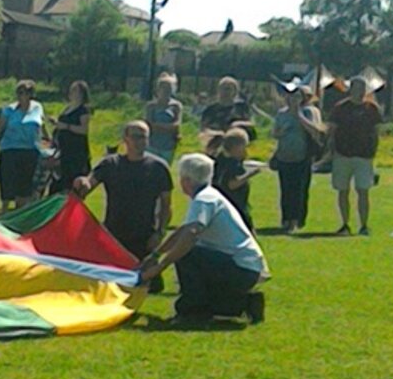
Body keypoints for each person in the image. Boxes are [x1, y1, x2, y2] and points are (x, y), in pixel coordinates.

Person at [139, 153, 268, 325]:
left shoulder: (204, 200)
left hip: (240, 268)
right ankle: (245, 303)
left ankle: (191, 311)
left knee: (188, 254)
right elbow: (182, 232)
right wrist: (155, 255)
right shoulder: (209, 195)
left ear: (186, 180)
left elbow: (190, 234)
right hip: (245, 267)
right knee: (213, 301)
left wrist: (162, 266)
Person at [74, 120, 174, 291]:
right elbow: (88, 186)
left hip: (144, 238)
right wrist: (82, 182)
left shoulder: (158, 168)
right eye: (135, 137)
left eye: (143, 137)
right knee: (106, 284)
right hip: (113, 237)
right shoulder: (111, 164)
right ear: (125, 139)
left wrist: (159, 232)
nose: (140, 141)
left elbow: (166, 206)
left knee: (152, 288)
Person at [327, 75, 384, 235]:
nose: (359, 92)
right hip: (342, 154)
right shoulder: (340, 108)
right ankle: (345, 224)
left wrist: (373, 152)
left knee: (363, 191)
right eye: (356, 88)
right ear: (350, 89)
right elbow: (332, 130)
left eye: (362, 89)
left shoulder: (372, 109)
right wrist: (330, 152)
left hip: (364, 156)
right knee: (342, 190)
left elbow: (377, 131)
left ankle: (364, 225)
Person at [270, 81, 324, 233]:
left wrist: (298, 116)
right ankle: (286, 219)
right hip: (284, 156)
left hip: (302, 157)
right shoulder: (282, 114)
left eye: (296, 97)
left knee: (299, 190)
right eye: (290, 96)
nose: (293, 99)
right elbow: (275, 133)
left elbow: (316, 131)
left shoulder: (309, 112)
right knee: (285, 189)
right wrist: (280, 132)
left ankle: (297, 220)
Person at [0, 80, 47, 211]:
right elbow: (0, 127)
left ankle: (20, 211)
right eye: (19, 93)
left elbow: (41, 125)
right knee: (8, 182)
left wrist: (48, 139)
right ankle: (4, 210)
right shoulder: (9, 110)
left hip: (30, 150)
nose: (20, 96)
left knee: (25, 186)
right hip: (10, 149)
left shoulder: (37, 108)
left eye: (24, 93)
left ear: (30, 94)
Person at [212, 127, 258, 232]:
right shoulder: (233, 164)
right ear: (237, 147)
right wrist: (250, 174)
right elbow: (232, 184)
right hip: (236, 204)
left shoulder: (220, 158)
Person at [52, 80, 93, 184]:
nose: (72, 93)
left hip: (76, 151)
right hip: (64, 150)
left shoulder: (83, 110)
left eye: (75, 90)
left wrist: (66, 126)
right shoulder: (67, 108)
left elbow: (84, 130)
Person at [143, 72, 183, 162]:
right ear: (158, 89)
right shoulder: (151, 106)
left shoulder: (176, 106)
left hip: (168, 145)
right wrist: (168, 127)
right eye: (164, 88)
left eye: (169, 88)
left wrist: (158, 126)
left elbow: (176, 125)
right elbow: (149, 125)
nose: (166, 91)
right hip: (152, 144)